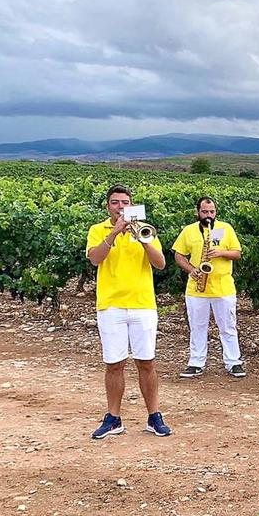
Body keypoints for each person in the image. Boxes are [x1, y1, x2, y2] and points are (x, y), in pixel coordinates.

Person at [86, 184, 171, 439]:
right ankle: (113, 418)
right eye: (115, 202)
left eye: (124, 202)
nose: (120, 207)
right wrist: (114, 233)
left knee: (147, 362)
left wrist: (143, 240)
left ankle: (154, 416)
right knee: (114, 364)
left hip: (142, 304)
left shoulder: (145, 230)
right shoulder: (97, 230)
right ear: (107, 206)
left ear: (131, 205)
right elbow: (95, 258)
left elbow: (161, 263)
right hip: (111, 305)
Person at [172, 197, 245, 379]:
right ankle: (196, 362)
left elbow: (237, 253)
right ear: (198, 212)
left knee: (228, 326)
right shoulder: (189, 231)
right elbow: (178, 255)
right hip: (197, 287)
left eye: (212, 212)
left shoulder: (225, 228)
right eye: (205, 212)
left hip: (223, 287)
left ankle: (233, 362)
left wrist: (221, 252)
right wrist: (191, 270)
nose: (209, 215)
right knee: (197, 326)